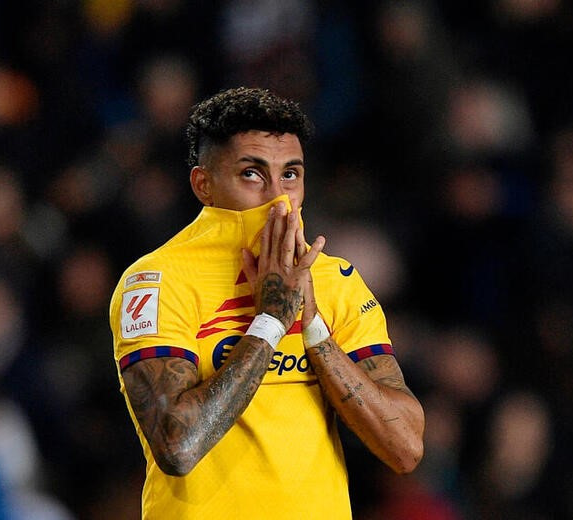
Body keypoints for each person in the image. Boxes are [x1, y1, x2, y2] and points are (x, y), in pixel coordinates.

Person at [108, 87, 425, 519]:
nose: (277, 197)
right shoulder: (155, 283)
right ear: (204, 185)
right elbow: (177, 447)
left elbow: (405, 447)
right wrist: (271, 321)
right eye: (252, 175)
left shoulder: (335, 281)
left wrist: (314, 330)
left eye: (290, 175)